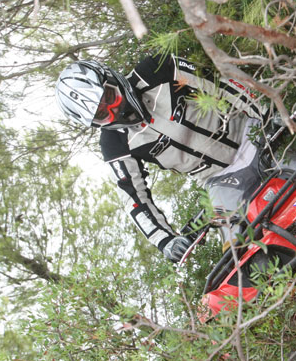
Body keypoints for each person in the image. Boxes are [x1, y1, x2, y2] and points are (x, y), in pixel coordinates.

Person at [55, 54, 269, 263]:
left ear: (111, 78)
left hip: (253, 133)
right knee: (240, 258)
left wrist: (267, 112)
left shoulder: (155, 69)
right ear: (96, 123)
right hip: (220, 181)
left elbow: (220, 83)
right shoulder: (113, 143)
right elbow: (133, 197)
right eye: (103, 114)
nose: (115, 110)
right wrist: (165, 240)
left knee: (292, 179)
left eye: (109, 98)